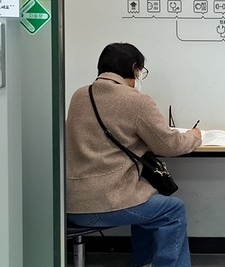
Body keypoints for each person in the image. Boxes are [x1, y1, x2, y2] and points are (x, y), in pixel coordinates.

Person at [66, 43, 202, 267]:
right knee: (172, 209)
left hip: (70, 202)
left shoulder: (80, 95)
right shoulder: (136, 100)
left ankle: (143, 263)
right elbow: (170, 145)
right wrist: (194, 136)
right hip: (104, 203)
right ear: (134, 68)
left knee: (146, 193)